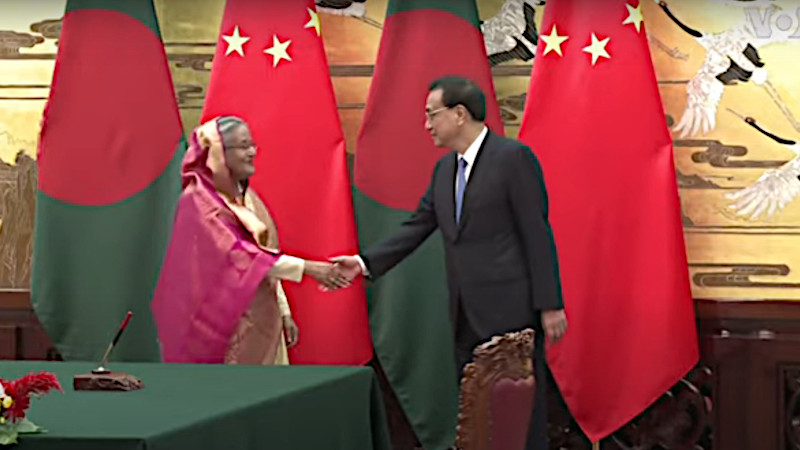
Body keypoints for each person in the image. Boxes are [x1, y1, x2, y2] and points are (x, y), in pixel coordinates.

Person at [332, 76, 567, 448]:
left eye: (431, 115)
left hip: (511, 312)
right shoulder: (445, 171)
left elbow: (536, 233)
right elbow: (418, 225)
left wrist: (550, 304)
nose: (426, 125)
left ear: (459, 114)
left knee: (521, 413)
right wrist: (363, 263)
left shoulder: (512, 158)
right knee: (477, 413)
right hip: (463, 313)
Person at [151, 116, 349, 365]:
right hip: (221, 329)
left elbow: (265, 255)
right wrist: (308, 268)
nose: (252, 152)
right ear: (219, 153)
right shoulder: (199, 203)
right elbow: (240, 255)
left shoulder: (247, 199)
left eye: (252, 145)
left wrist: (283, 310)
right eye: (243, 146)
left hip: (261, 319)